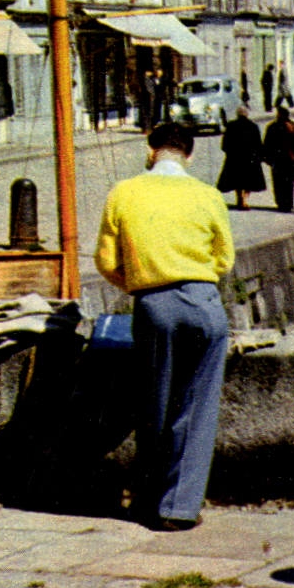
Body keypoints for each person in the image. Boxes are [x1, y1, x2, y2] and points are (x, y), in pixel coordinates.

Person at [93, 123, 234, 532]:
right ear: (188, 156)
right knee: (197, 406)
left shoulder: (124, 192)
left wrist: (139, 283)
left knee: (154, 401)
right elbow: (224, 258)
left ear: (150, 150)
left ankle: (147, 498)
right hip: (205, 302)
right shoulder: (207, 195)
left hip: (155, 304)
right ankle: (179, 508)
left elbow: (105, 260)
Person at [215, 106, 266, 210]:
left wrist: (229, 152)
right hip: (250, 158)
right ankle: (244, 199)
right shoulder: (253, 126)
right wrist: (260, 156)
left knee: (236, 180)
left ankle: (240, 198)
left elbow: (224, 144)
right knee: (249, 181)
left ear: (237, 115)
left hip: (235, 158)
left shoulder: (231, 126)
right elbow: (258, 144)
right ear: (247, 114)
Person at [262, 104, 294, 212]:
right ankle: (288, 203)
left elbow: (267, 144)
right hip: (290, 160)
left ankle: (281, 203)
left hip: (278, 160)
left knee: (278, 183)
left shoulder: (272, 127)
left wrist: (267, 158)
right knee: (288, 183)